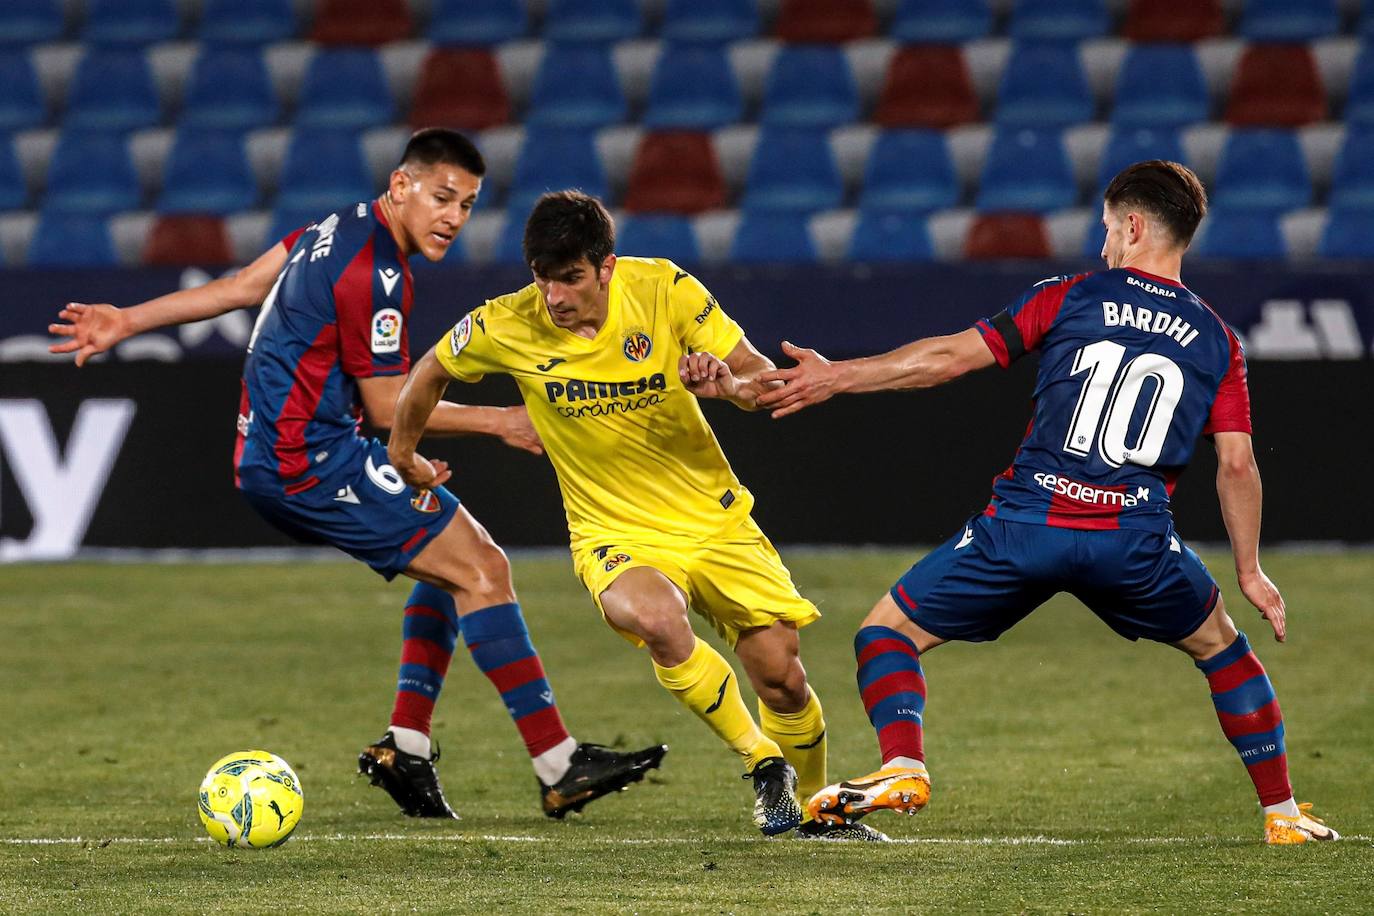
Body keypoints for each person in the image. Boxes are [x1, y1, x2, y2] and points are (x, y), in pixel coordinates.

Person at [48, 129, 665, 822]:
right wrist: (504, 422)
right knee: (484, 569)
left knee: (455, 561)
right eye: (440, 197)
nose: (452, 218)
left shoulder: (334, 225)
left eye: (465, 205)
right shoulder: (376, 275)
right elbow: (388, 406)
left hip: (288, 453)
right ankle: (558, 765)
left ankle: (405, 746)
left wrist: (127, 319)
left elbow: (241, 288)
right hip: (307, 463)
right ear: (401, 186)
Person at [756, 161, 1339, 846]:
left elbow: (946, 358)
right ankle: (1283, 815)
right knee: (1225, 653)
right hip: (1135, 542)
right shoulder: (1218, 340)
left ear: (1131, 225)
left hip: (1026, 526)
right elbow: (1236, 465)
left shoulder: (1072, 295)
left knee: (885, 634)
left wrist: (837, 377)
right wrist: (1249, 572)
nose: (1102, 247)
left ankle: (904, 763)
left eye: (1105, 231)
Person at [386, 190, 884, 840]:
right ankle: (763, 763)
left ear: (606, 267)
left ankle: (815, 807)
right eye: (543, 279)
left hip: (713, 519)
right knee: (652, 616)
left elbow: (759, 377)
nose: (555, 297)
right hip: (613, 530)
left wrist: (730, 389)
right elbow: (425, 375)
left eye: (570, 279)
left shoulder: (665, 290)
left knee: (782, 678)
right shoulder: (504, 324)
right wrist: (403, 454)